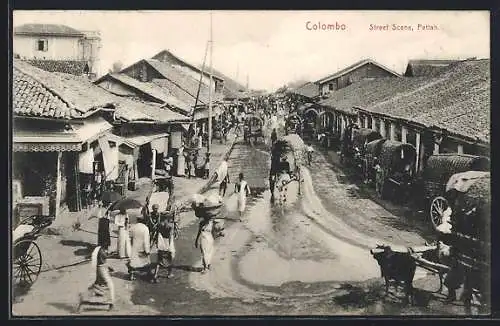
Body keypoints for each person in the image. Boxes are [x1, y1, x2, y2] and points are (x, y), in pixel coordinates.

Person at [127, 215, 153, 281]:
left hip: (135, 245)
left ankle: (131, 275)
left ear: (137, 220)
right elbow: (146, 240)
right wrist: (147, 249)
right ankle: (148, 273)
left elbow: (130, 236)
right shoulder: (145, 228)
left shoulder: (133, 227)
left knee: (133, 260)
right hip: (142, 246)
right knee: (146, 261)